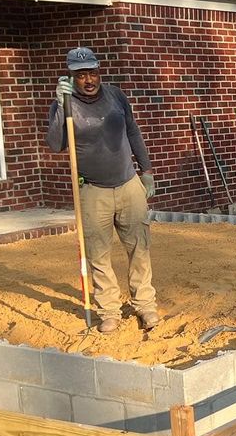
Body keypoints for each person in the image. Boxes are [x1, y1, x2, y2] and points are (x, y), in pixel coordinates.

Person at [46, 47, 159, 334]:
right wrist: (61, 107)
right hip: (93, 191)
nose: (88, 79)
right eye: (81, 75)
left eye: (92, 72)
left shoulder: (116, 95)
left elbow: (133, 131)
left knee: (139, 248)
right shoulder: (66, 102)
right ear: (71, 76)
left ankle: (144, 304)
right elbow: (55, 145)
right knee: (98, 254)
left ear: (99, 71)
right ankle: (109, 310)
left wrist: (145, 171)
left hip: (128, 184)